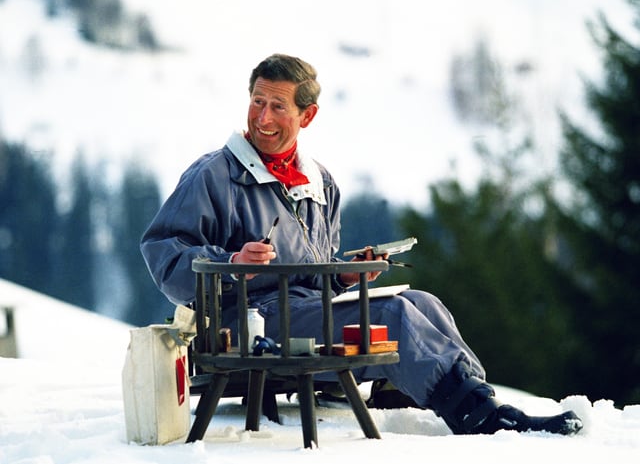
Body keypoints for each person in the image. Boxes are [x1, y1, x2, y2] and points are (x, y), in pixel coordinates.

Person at [140, 53, 583, 436]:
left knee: (423, 302)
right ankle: (479, 414)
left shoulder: (320, 182)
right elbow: (162, 250)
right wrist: (232, 261)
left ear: (307, 115)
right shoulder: (215, 175)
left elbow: (314, 280)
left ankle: (468, 397)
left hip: (301, 316)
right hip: (248, 325)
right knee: (391, 315)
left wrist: (346, 274)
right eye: (258, 101)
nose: (263, 117)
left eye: (278, 105)